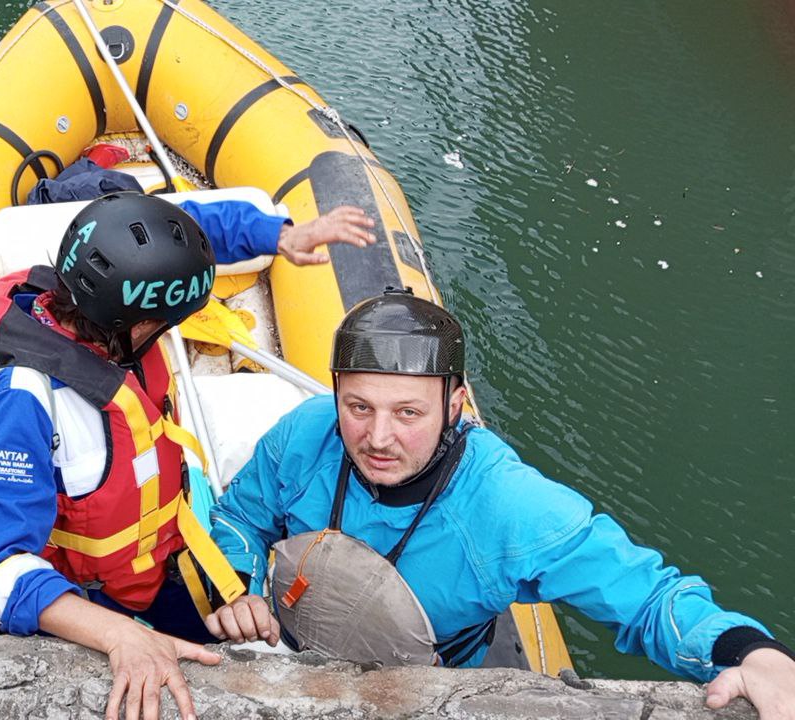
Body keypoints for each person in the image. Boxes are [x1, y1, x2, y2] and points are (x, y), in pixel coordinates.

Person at [206, 289, 795, 717]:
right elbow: (240, 517)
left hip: (430, 687)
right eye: (358, 407)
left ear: (456, 404)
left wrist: (753, 651)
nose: (378, 437)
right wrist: (238, 585)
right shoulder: (306, 433)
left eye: (408, 413)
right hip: (290, 649)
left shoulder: (509, 506)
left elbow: (647, 600)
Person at [0, 192, 375, 720]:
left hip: (156, 553)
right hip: (86, 591)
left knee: (251, 637)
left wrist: (278, 236)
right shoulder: (24, 404)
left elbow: (177, 232)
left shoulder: (89, 288)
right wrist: (119, 636)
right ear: (134, 327)